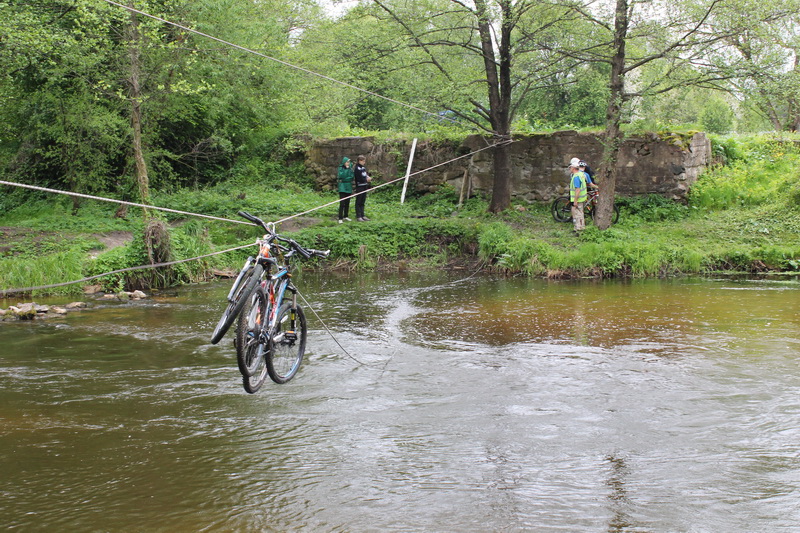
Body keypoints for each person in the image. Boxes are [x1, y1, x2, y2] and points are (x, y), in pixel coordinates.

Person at [569, 159, 587, 234]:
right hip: (582, 198)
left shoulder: (576, 177)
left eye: (570, 167)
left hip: (578, 199)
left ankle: (579, 230)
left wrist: (575, 201)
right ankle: (581, 227)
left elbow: (577, 190)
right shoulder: (581, 174)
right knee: (581, 213)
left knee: (578, 214)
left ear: (573, 168)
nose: (569, 169)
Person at [353, 155, 372, 221]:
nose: (364, 162)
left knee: (363, 201)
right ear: (359, 161)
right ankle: (358, 216)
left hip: (364, 186)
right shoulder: (357, 168)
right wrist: (365, 180)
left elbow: (365, 175)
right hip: (360, 186)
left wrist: (368, 178)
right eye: (363, 161)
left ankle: (362, 215)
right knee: (359, 201)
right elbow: (359, 178)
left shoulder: (363, 168)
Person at [337, 156, 354, 223]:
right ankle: (340, 218)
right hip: (342, 187)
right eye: (347, 162)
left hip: (348, 186)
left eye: (349, 162)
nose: (348, 163)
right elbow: (341, 176)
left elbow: (352, 177)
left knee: (347, 202)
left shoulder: (350, 169)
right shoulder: (341, 168)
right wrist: (346, 172)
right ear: (344, 162)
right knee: (342, 203)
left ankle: (346, 216)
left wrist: (347, 178)